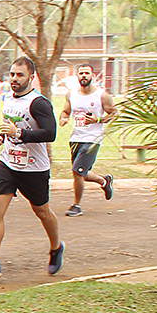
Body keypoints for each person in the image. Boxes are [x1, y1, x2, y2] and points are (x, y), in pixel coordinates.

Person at [0, 57, 64, 278]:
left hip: (34, 168)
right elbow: (11, 126)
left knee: (41, 211)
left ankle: (56, 247)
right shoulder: (8, 99)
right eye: (12, 74)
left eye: (19, 75)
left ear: (31, 77)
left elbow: (50, 133)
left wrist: (19, 134)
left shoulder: (39, 103)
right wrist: (1, 138)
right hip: (8, 162)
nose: (14, 79)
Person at [59, 63, 117, 217]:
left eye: (87, 73)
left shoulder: (101, 95)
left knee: (77, 172)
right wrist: (63, 118)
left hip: (93, 139)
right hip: (76, 138)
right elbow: (66, 111)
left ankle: (76, 205)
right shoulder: (71, 94)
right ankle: (104, 181)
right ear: (77, 76)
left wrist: (98, 119)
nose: (84, 76)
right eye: (81, 73)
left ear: (92, 76)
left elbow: (114, 113)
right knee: (81, 172)